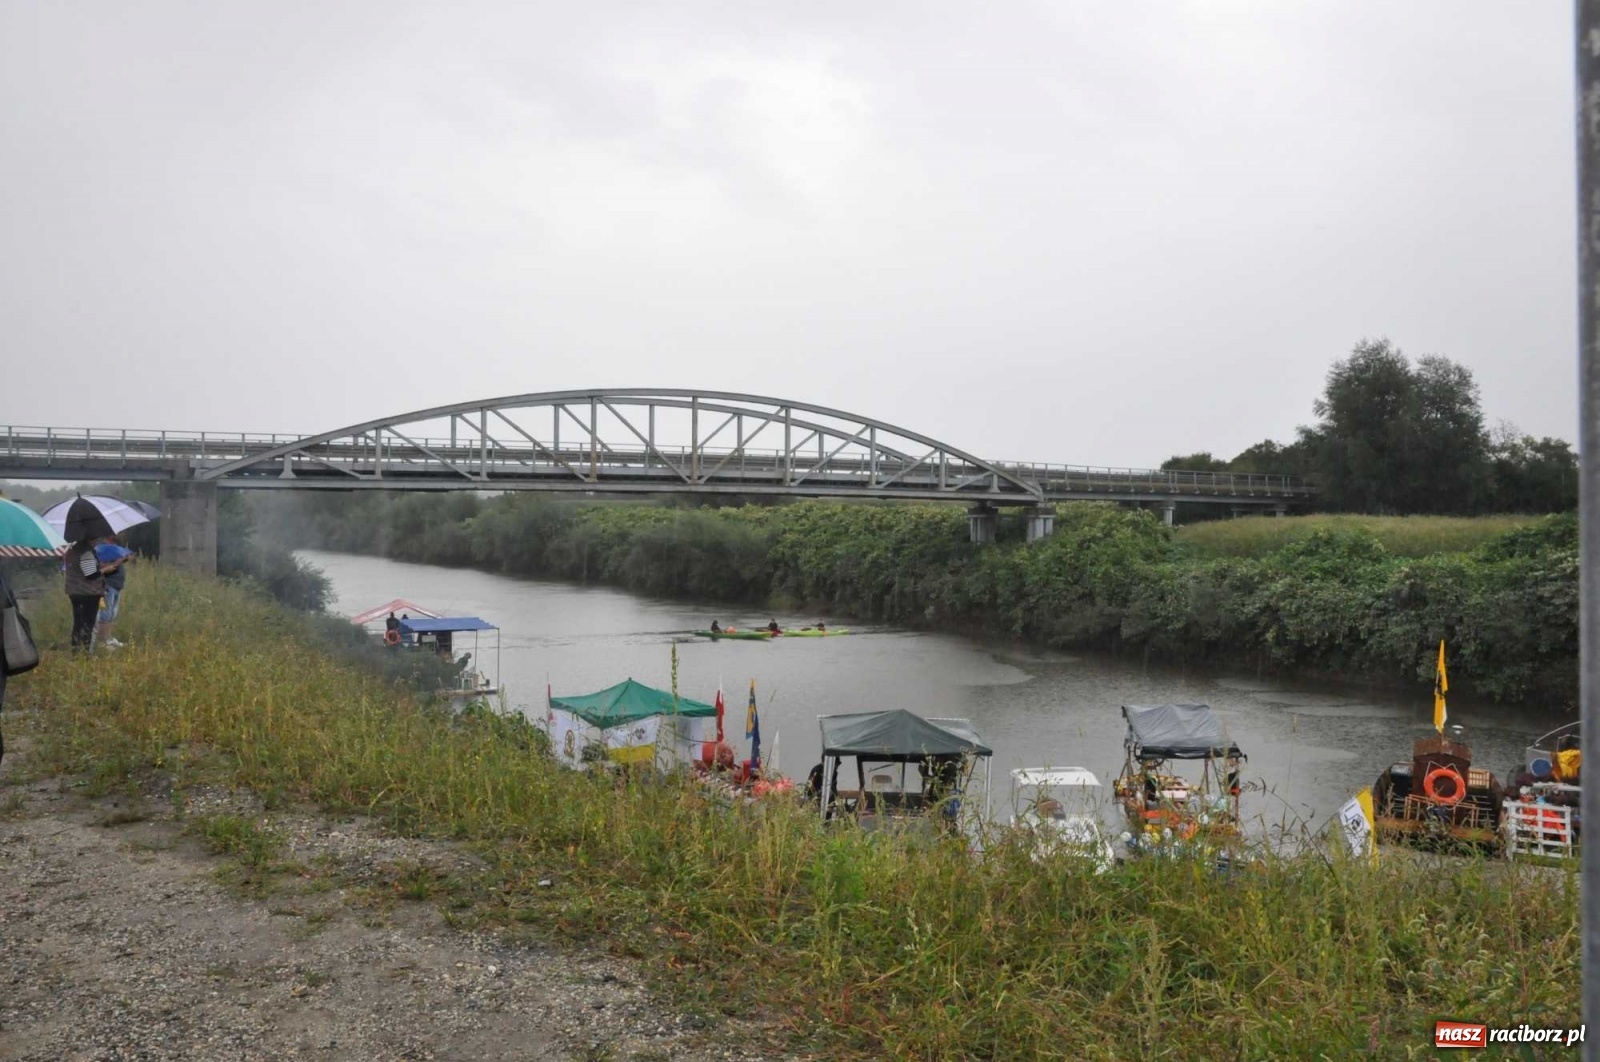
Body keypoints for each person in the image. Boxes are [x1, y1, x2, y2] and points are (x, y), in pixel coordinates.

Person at [63, 537, 117, 653]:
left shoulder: (72, 552)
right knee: (87, 623)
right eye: (95, 540)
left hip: (75, 591)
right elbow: (90, 575)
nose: (97, 542)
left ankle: (76, 650)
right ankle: (85, 652)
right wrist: (105, 570)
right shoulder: (86, 553)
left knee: (78, 622)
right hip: (88, 593)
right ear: (89, 540)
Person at [93, 537, 134, 649]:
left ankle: (109, 638)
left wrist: (125, 558)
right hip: (108, 585)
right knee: (106, 614)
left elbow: (116, 564)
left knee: (112, 614)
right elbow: (103, 567)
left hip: (116, 586)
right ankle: (103, 641)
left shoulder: (114, 550)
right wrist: (119, 560)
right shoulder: (100, 550)